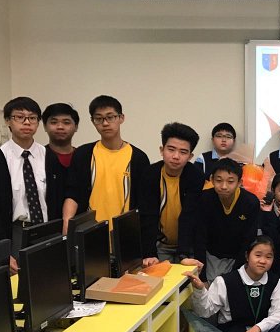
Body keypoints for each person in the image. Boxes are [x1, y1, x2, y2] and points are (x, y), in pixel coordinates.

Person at [0, 97, 58, 272]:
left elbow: (56, 200)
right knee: (17, 283)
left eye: (32, 118)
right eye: (19, 117)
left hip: (47, 231)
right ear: (8, 121)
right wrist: (0, 251)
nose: (27, 122)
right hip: (15, 233)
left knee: (48, 279)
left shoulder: (49, 156)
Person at [62, 95, 150, 232]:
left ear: (121, 118)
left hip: (125, 234)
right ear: (92, 121)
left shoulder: (138, 158)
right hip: (89, 233)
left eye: (110, 117)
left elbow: (144, 203)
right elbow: (72, 194)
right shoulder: (83, 154)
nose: (105, 123)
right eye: (99, 118)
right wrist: (67, 225)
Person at [185, 158, 260, 282]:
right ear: (212, 179)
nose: (224, 186)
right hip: (211, 255)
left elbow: (248, 240)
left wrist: (236, 273)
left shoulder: (250, 202)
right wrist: (202, 276)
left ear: (240, 182)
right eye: (219, 180)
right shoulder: (205, 198)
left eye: (230, 181)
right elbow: (200, 237)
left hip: (237, 257)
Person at [139, 123, 204, 264]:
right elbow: (147, 216)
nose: (176, 156)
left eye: (183, 152)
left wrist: (183, 255)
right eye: (171, 149)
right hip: (160, 245)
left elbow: (190, 216)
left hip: (188, 245)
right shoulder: (150, 174)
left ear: (190, 156)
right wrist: (149, 253)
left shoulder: (196, 176)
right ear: (162, 150)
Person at [41, 103, 79, 220]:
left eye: (66, 122)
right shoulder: (38, 158)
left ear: (76, 127)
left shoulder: (83, 157)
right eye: (54, 122)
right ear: (45, 126)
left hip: (81, 224)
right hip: (47, 224)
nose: (60, 127)